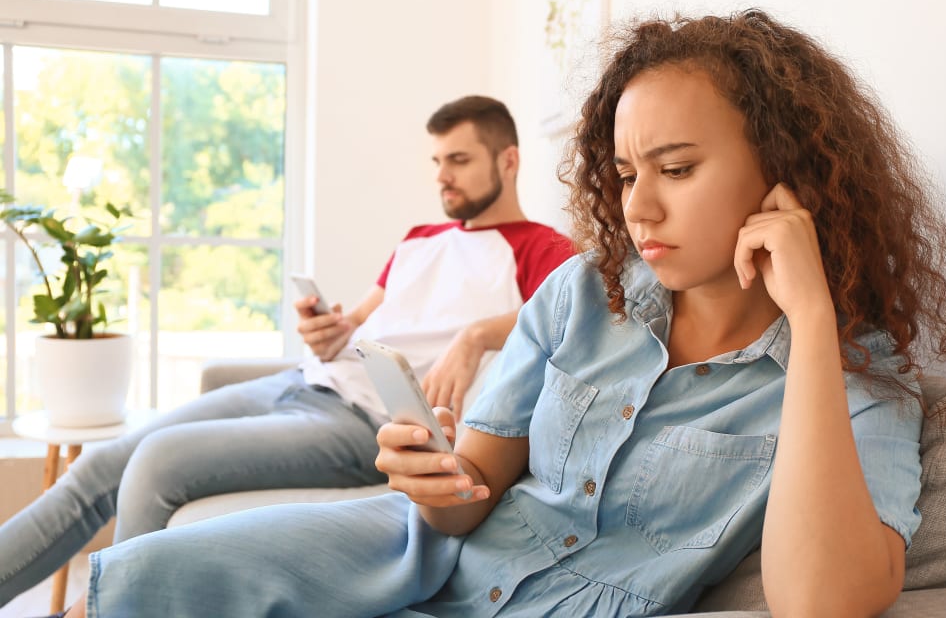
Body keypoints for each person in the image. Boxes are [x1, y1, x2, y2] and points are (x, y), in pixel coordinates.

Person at [60, 9, 946, 618]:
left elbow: (824, 602)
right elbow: (472, 498)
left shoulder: (857, 381)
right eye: (624, 174)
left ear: (790, 175)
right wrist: (432, 476)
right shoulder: (581, 296)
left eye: (677, 170)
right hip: (421, 565)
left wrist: (810, 322)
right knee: (152, 574)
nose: (637, 209)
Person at [0, 95, 574, 609]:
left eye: (459, 160)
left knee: (156, 462)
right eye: (437, 162)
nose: (443, 176)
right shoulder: (419, 239)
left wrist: (475, 335)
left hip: (363, 421)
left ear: (508, 161)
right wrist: (329, 327)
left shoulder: (542, 248)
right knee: (102, 464)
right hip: (304, 383)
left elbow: (564, 316)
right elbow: (358, 322)